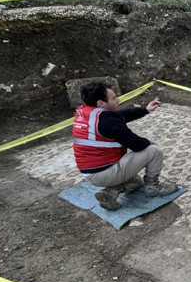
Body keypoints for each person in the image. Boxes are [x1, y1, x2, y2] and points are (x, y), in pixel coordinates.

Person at [72, 82, 178, 211]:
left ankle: (110, 193)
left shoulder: (85, 111)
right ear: (101, 103)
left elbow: (119, 116)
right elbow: (136, 144)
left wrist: (145, 110)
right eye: (114, 98)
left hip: (91, 173)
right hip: (105, 172)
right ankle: (153, 187)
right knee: (153, 150)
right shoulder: (107, 121)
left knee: (136, 182)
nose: (118, 100)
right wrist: (147, 142)